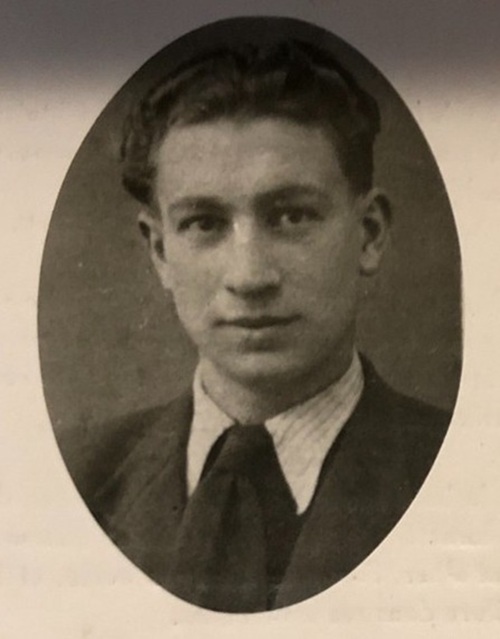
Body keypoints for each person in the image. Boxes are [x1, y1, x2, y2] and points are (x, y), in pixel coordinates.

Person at [68, 39, 450, 612]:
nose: (249, 277)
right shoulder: (73, 480)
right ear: (160, 252)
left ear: (369, 234)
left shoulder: (466, 471)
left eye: (292, 216)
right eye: (204, 223)